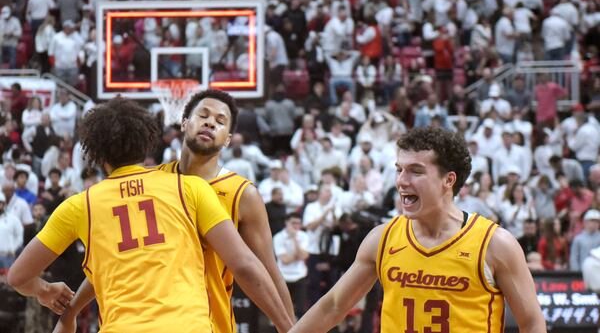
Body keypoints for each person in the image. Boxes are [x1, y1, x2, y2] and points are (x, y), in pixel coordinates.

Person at [7, 97, 292, 333]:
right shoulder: (181, 186)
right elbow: (244, 265)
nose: (209, 123)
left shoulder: (242, 193)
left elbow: (265, 268)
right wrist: (72, 310)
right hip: (192, 324)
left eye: (220, 121)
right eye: (203, 115)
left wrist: (48, 294)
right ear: (180, 125)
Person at [289, 127, 546, 333]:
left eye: (415, 171)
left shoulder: (494, 244)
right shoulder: (382, 238)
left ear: (449, 180)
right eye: (399, 169)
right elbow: (334, 306)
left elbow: (532, 324)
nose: (401, 180)